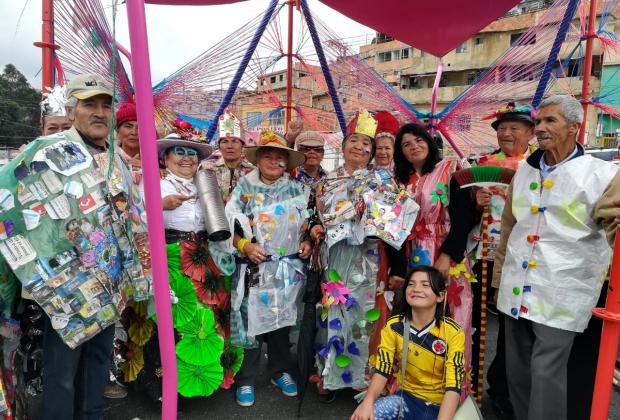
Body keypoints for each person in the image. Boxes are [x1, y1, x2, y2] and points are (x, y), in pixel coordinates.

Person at [493, 95, 620, 420]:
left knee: (547, 374)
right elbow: (509, 229)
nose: (540, 128)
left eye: (551, 121)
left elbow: (613, 227)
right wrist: (498, 281)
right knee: (517, 374)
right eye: (539, 121)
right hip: (515, 289)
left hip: (563, 293)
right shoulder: (523, 171)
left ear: (574, 128)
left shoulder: (601, 174)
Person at [311, 111, 416, 395]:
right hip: (334, 255)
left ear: (372, 152)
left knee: (365, 315)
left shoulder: (382, 179)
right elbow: (315, 215)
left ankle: (363, 377)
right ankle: (330, 375)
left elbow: (397, 220)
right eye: (354, 141)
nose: (359, 147)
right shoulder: (325, 181)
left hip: (369, 256)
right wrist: (316, 228)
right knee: (333, 310)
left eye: (366, 144)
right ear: (343, 146)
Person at [223, 131, 311, 407]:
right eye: (268, 157)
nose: (274, 162)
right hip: (253, 268)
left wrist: (307, 240)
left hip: (286, 269)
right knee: (249, 324)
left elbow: (308, 221)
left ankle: (280, 371)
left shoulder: (297, 189)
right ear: (258, 160)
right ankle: (246, 379)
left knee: (280, 322)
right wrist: (245, 246)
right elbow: (228, 230)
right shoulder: (244, 189)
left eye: (280, 158)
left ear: (287, 163)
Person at [388, 122, 474, 397]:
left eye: (418, 140)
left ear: (429, 140)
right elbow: (391, 227)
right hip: (413, 256)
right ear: (400, 152)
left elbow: (464, 217)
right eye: (406, 144)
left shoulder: (450, 169)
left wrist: (447, 256)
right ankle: (413, 389)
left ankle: (452, 392)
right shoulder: (397, 181)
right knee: (415, 318)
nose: (414, 146)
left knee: (453, 318)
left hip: (446, 253)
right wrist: (398, 268)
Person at [467, 102, 535, 417]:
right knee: (475, 324)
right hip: (482, 254)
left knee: (514, 328)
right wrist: (473, 201)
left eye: (514, 128)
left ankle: (505, 386)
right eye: (502, 128)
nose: (506, 133)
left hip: (521, 258)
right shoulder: (483, 164)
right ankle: (470, 384)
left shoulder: (538, 166)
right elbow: (461, 210)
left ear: (531, 132)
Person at [351, 266, 464, 420]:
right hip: (405, 400)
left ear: (440, 296)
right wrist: (368, 402)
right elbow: (383, 369)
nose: (416, 289)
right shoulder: (394, 326)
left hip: (441, 406)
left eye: (425, 285)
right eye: (411, 284)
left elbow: (454, 386)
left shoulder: (453, 332)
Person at [200, 110, 254, 204]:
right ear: (219, 146)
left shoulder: (253, 171)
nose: (230, 146)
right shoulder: (206, 169)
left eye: (234, 141)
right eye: (225, 141)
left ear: (242, 145)